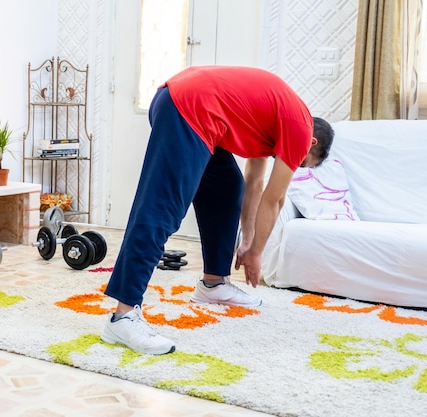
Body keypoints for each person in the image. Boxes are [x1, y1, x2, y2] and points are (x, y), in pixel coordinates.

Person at [100, 66, 334, 355]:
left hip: (187, 104)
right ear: (311, 143)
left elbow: (255, 182)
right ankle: (123, 315)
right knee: (162, 207)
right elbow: (276, 200)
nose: (294, 164)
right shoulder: (299, 128)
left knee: (227, 189)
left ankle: (213, 283)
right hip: (189, 107)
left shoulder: (277, 122)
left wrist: (248, 241)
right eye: (302, 162)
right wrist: (257, 254)